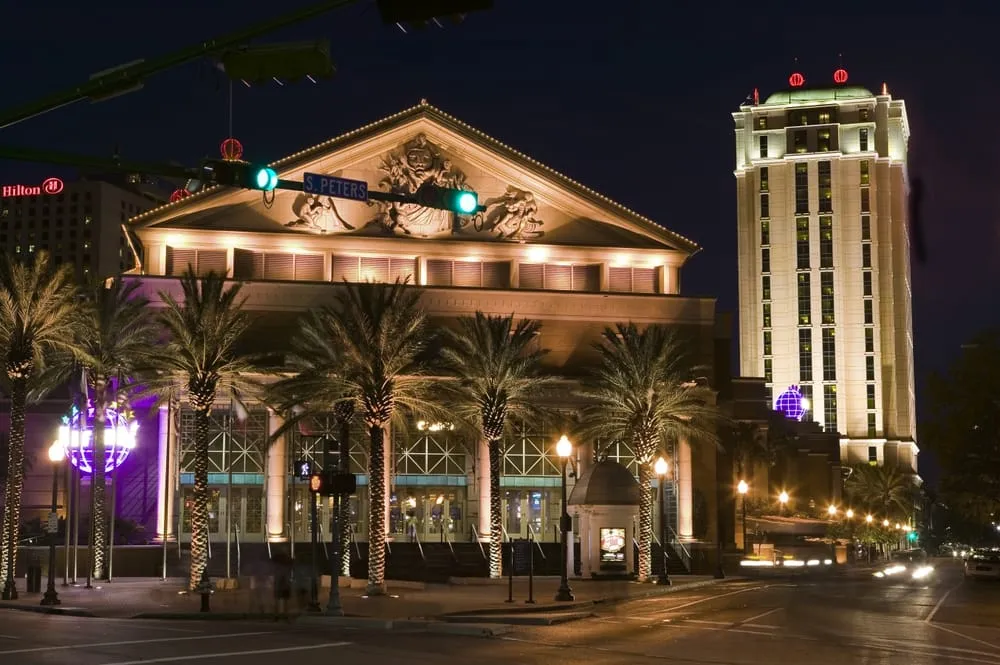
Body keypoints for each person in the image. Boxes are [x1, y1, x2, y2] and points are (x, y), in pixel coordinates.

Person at [272, 552, 293, 621]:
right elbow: (286, 578)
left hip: (278, 586)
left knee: (277, 602)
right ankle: (285, 616)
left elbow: (277, 578)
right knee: (285, 602)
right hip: (285, 586)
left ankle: (276, 616)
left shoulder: (276, 568)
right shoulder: (286, 568)